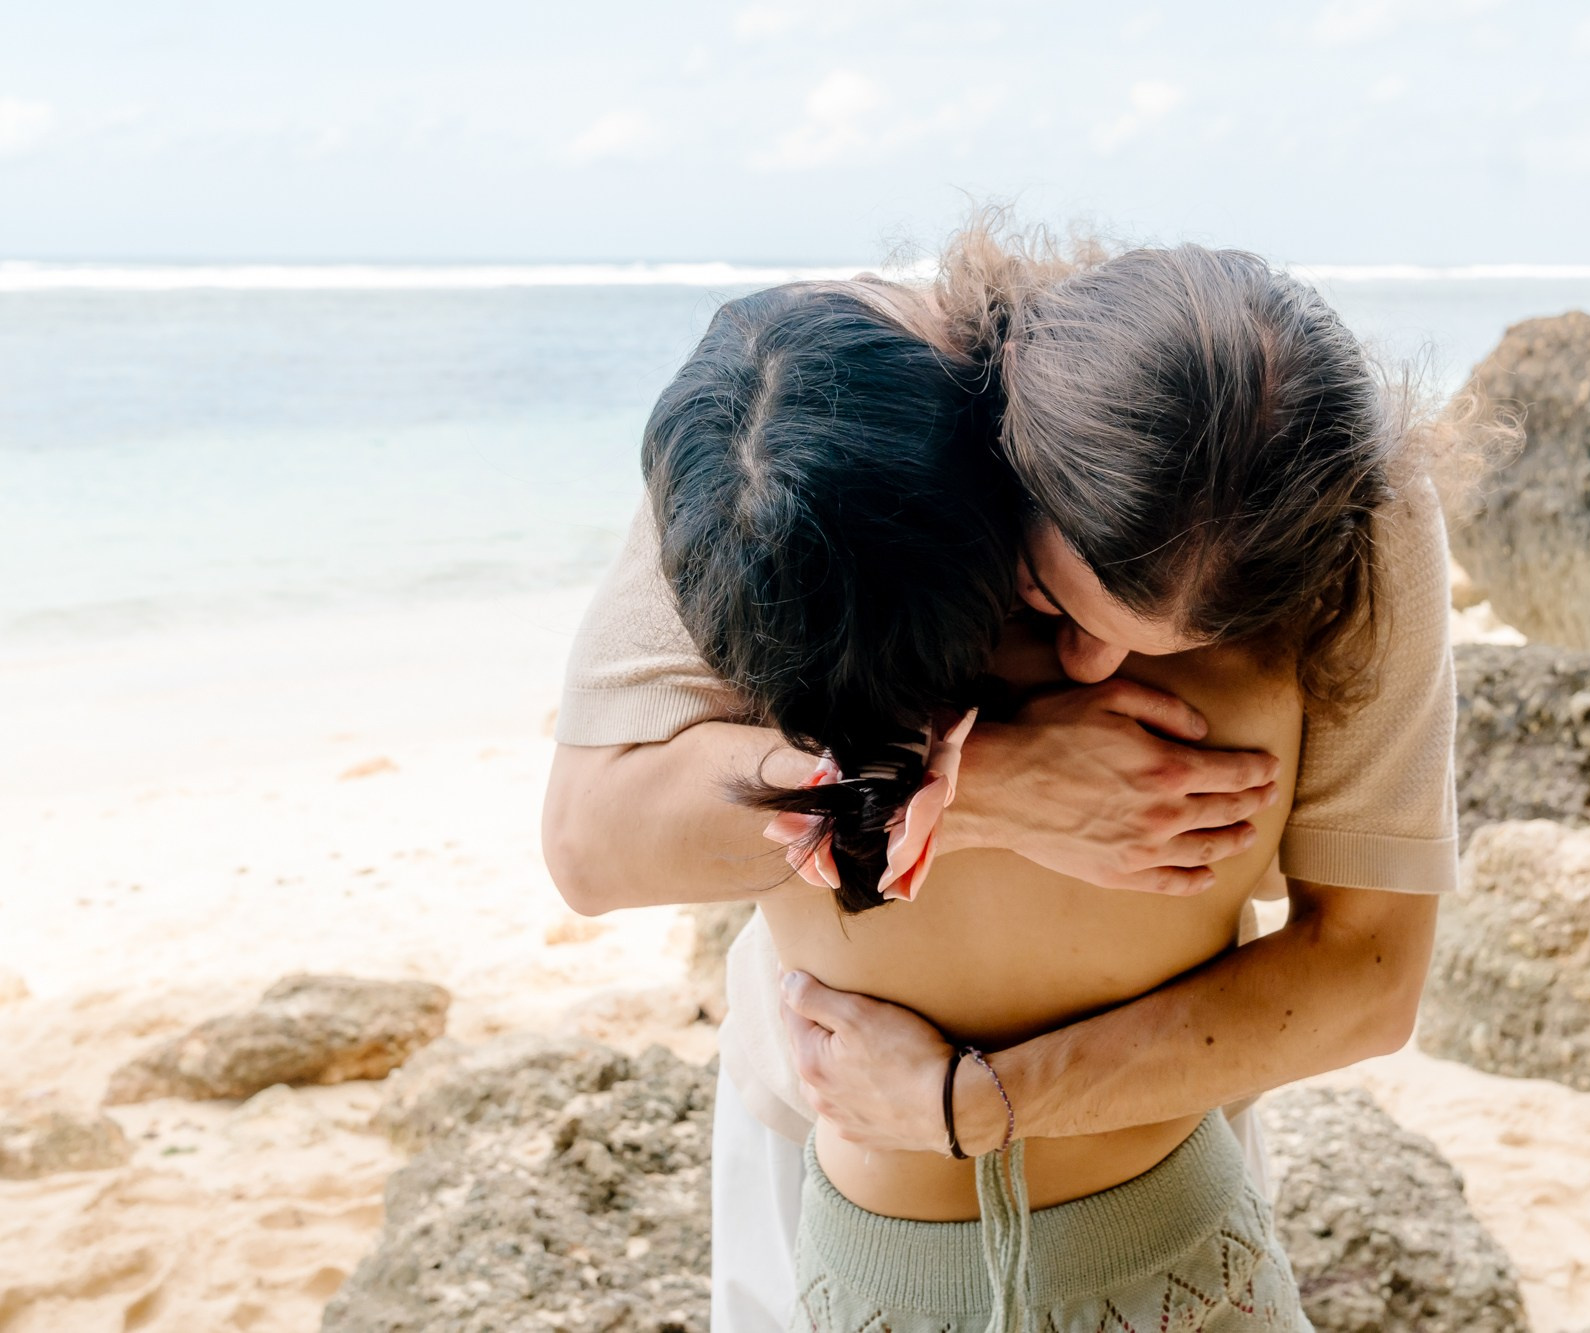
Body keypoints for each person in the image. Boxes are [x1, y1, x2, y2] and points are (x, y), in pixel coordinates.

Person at [542, 219, 1474, 1333]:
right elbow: (589, 844)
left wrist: (972, 1105)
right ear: (1002, 463)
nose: (1093, 667)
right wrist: (980, 788)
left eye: (1185, 654)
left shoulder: (1347, 506)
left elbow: (1366, 975)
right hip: (826, 1148)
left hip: (1155, 1141)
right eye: (1050, 602)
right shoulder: (817, 431)